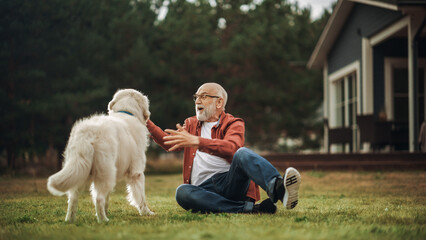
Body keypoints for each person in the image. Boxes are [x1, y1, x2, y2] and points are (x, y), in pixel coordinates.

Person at [147, 83, 301, 214]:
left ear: (219, 102)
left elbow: (232, 148)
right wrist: (146, 121)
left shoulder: (234, 123)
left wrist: (197, 141)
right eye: (196, 97)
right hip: (202, 190)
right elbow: (169, 143)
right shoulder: (190, 124)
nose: (197, 101)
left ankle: (280, 189)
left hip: (230, 182)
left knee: (242, 153)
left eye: (204, 96)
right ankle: (250, 209)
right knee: (182, 192)